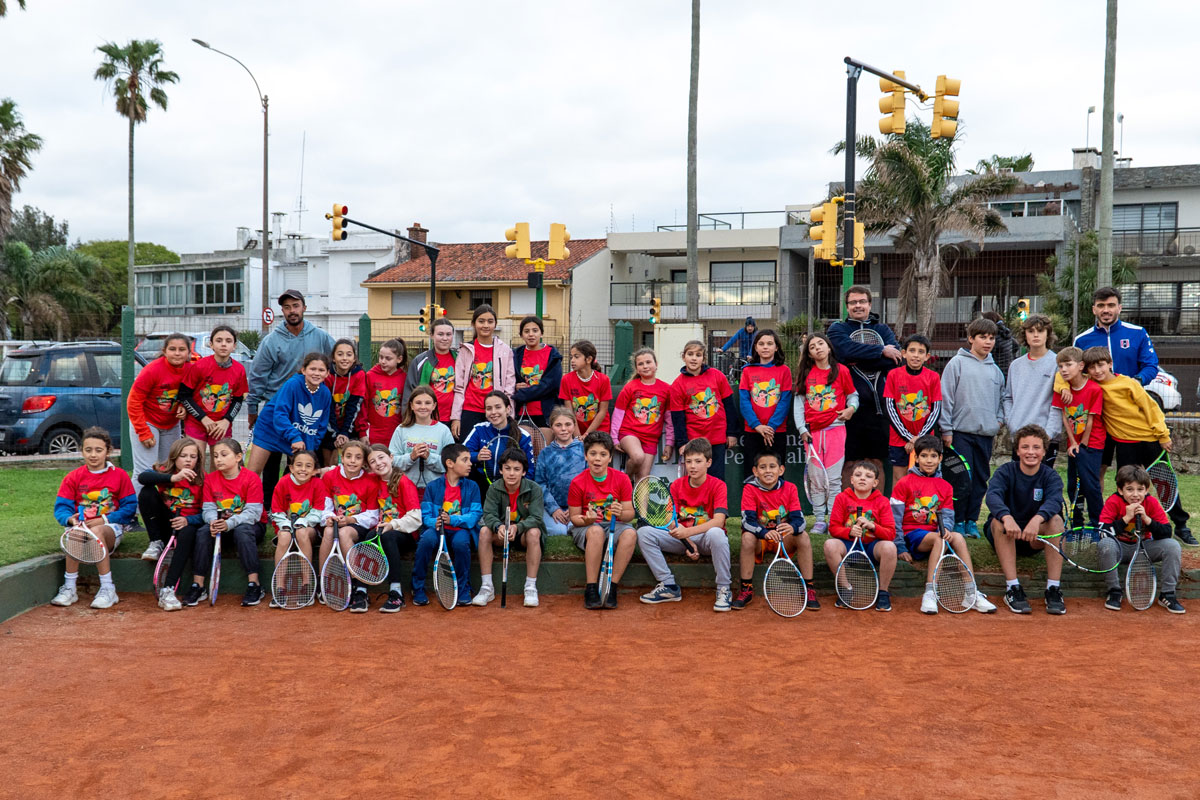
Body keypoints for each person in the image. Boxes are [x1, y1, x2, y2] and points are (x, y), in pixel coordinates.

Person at [1078, 345, 1192, 545]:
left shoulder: (1128, 384)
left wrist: (1163, 435)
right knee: (1126, 488)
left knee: (1164, 484)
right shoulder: (1091, 385)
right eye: (1091, 367)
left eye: (1100, 365)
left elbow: (1151, 408)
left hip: (1149, 440)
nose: (1097, 370)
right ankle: (1125, 529)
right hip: (1124, 445)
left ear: (1110, 364)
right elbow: (1065, 375)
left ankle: (1181, 526)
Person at [247, 289, 336, 509]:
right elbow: (258, 375)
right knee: (269, 468)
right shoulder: (271, 341)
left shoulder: (320, 336)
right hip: (277, 408)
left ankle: (292, 507)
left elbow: (339, 358)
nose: (292, 311)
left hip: (303, 412)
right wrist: (252, 408)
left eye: (295, 306)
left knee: (297, 466)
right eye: (287, 307)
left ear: (304, 308)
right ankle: (263, 509)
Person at [890, 435, 995, 615]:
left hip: (936, 535)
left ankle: (971, 592)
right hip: (912, 536)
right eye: (924, 456)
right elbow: (895, 518)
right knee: (940, 539)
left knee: (958, 537)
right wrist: (899, 546)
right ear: (916, 458)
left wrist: (945, 527)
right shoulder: (904, 483)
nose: (929, 460)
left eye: (933, 456)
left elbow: (947, 515)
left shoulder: (946, 486)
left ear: (940, 458)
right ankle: (930, 592)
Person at [636, 438, 733, 612]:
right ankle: (668, 586)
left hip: (706, 539)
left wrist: (688, 533)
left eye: (698, 461)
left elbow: (719, 521)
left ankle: (724, 588)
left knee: (717, 533)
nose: (692, 466)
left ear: (709, 462)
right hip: (681, 538)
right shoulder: (676, 485)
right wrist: (686, 539)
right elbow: (670, 519)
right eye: (688, 461)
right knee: (644, 533)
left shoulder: (719, 485)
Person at [50, 427, 137, 610]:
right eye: (88, 450)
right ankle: (69, 588)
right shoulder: (72, 477)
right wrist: (71, 520)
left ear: (108, 451)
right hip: (81, 530)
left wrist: (104, 519)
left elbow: (129, 508)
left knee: (96, 532)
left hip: (109, 529)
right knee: (76, 532)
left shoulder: (120, 475)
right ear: (82, 451)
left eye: (99, 450)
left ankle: (108, 588)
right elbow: (62, 508)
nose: (93, 455)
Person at [984, 425, 1066, 615]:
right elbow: (993, 496)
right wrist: (1007, 517)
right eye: (1025, 447)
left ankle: (1053, 589)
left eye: (1036, 447)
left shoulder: (1051, 476)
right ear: (1017, 450)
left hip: (1034, 538)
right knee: (998, 522)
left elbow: (1055, 501)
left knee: (1056, 521)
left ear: (1044, 451)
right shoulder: (1005, 471)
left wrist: (1037, 519)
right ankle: (1013, 588)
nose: (1031, 452)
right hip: (1007, 533)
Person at [826, 285, 902, 487]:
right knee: (849, 463)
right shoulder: (838, 329)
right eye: (853, 302)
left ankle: (876, 506)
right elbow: (843, 351)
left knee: (875, 463)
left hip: (879, 410)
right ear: (847, 306)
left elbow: (893, 360)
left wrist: (856, 359)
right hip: (848, 409)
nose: (857, 306)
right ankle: (848, 506)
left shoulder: (883, 330)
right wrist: (880, 351)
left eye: (862, 302)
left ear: (869, 304)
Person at [940, 317, 1006, 538]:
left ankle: (971, 521)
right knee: (960, 479)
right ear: (970, 338)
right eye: (982, 337)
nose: (987, 342)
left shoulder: (995, 370)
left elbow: (1002, 400)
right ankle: (957, 520)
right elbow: (946, 398)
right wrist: (946, 429)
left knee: (979, 479)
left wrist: (998, 421)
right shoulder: (956, 364)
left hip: (985, 435)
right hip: (960, 433)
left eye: (991, 338)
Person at [188, 439, 267, 608]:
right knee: (203, 532)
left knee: (242, 531)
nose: (218, 459)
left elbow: (253, 513)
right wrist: (213, 521)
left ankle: (254, 584)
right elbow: (208, 508)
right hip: (221, 526)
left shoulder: (251, 478)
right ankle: (198, 585)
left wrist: (229, 523)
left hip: (250, 525)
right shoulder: (210, 479)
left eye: (224, 455)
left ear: (238, 457)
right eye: (216, 456)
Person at [1097, 465, 1185, 613]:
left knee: (1173, 546)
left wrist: (1147, 519)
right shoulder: (1113, 501)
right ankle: (1114, 591)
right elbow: (1102, 533)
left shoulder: (1151, 502)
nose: (1135, 494)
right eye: (1129, 489)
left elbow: (1166, 532)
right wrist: (1126, 519)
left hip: (1144, 547)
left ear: (1146, 490)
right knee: (1106, 544)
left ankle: (1168, 594)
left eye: (1140, 489)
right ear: (1120, 490)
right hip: (1120, 548)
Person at [794, 331, 857, 534]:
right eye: (812, 347)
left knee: (834, 479)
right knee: (816, 479)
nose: (817, 348)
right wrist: (802, 429)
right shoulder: (805, 374)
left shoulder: (842, 371)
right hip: (812, 434)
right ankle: (820, 520)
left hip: (836, 430)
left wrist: (851, 409)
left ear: (829, 347)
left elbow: (853, 395)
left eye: (820, 344)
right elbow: (799, 404)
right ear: (809, 354)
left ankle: (834, 520)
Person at [735, 449, 815, 610]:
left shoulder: (790, 488)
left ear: (781, 470)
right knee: (747, 538)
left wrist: (792, 527)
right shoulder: (749, 489)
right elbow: (747, 522)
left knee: (804, 536)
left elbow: (800, 521)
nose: (768, 471)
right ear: (755, 471)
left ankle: (809, 588)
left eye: (772, 466)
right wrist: (764, 533)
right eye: (762, 467)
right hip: (761, 540)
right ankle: (746, 589)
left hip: (783, 540)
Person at [567, 431, 636, 610]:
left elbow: (630, 514)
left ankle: (611, 587)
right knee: (596, 532)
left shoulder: (622, 479)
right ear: (585, 455)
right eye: (593, 453)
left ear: (610, 457)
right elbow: (574, 518)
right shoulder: (577, 482)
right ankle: (591, 588)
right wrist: (586, 520)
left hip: (614, 524)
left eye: (603, 454)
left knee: (630, 534)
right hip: (587, 527)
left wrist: (621, 513)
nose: (597, 459)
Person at [247, 353, 333, 492]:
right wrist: (294, 437)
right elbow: (280, 414)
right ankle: (246, 504)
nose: (316, 373)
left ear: (327, 373)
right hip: (270, 429)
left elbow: (321, 426)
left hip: (297, 434)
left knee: (302, 474)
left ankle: (287, 504)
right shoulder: (293, 384)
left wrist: (310, 448)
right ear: (304, 370)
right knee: (253, 474)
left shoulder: (325, 393)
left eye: (321, 370)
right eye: (312, 369)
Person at [137, 436, 205, 611]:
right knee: (146, 492)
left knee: (189, 531)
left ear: (198, 459)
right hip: (165, 523)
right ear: (174, 457)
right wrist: (174, 478)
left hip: (186, 526)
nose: (188, 460)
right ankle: (156, 542)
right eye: (183, 456)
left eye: (193, 456)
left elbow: (207, 514)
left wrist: (188, 520)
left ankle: (168, 589)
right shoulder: (164, 472)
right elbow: (142, 477)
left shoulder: (203, 480)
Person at [472, 448, 545, 608]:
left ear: (524, 472)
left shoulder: (534, 489)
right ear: (501, 470)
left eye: (517, 469)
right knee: (484, 531)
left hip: (523, 534)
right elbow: (488, 514)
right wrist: (498, 526)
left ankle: (530, 587)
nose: (511, 473)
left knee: (534, 533)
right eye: (507, 468)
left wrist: (518, 527)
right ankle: (487, 587)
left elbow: (536, 517)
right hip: (501, 534)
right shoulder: (494, 488)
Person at [825, 460, 898, 612]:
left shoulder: (883, 501)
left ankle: (883, 593)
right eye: (858, 475)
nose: (862, 478)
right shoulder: (841, 498)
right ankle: (846, 589)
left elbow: (891, 533)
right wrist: (849, 532)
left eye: (868, 476)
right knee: (830, 545)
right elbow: (833, 528)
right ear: (851, 480)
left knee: (890, 547)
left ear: (875, 482)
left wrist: (873, 526)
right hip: (848, 546)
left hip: (872, 548)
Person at [414, 444, 482, 607]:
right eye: (465, 460)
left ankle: (463, 589)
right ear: (450, 463)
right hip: (437, 530)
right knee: (426, 541)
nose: (470, 463)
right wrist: (434, 522)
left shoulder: (472, 487)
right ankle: (417, 588)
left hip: (461, 530)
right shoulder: (433, 487)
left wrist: (452, 520)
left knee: (460, 543)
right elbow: (425, 516)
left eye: (469, 460)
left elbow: (475, 515)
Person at [320, 439, 382, 613]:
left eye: (358, 457)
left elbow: (373, 516)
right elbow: (324, 507)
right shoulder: (330, 477)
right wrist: (329, 518)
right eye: (348, 456)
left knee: (344, 533)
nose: (352, 461)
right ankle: (324, 582)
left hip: (358, 525)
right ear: (342, 457)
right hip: (335, 522)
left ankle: (358, 584)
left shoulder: (370, 481)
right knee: (328, 532)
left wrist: (350, 520)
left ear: (364, 462)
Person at [127, 332, 190, 497]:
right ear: (164, 351)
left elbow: (193, 393)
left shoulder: (190, 370)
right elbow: (133, 402)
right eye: (172, 349)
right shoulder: (152, 370)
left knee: (168, 469)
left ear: (189, 352)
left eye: (182, 349)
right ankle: (134, 511)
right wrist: (143, 431)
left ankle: (165, 507)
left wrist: (184, 405)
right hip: (147, 422)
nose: (177, 353)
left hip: (171, 424)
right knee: (145, 471)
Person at [178, 325, 247, 469]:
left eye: (228, 341)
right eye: (219, 340)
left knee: (220, 467)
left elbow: (238, 399)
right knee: (196, 465)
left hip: (221, 426)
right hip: (197, 423)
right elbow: (184, 396)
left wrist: (227, 420)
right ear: (211, 344)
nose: (223, 344)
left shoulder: (239, 369)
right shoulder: (199, 366)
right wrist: (203, 418)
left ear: (234, 346)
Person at [668, 339, 739, 482]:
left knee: (717, 480)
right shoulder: (678, 385)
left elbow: (729, 406)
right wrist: (682, 443)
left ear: (704, 358)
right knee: (697, 481)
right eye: (690, 354)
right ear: (683, 357)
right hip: (694, 441)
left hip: (717, 438)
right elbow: (678, 417)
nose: (694, 358)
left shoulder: (717, 376)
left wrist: (732, 433)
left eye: (698, 355)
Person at [267, 449, 330, 609]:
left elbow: (318, 512)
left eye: (308, 466)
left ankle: (306, 585)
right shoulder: (283, 483)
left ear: (315, 470)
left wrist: (302, 522)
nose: (303, 469)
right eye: (299, 465)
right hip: (286, 527)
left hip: (308, 529)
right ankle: (280, 588)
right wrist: (287, 525)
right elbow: (276, 511)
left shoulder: (317, 484)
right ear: (291, 468)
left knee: (301, 532)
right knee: (284, 536)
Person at [1052, 347, 1104, 527]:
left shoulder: (1094, 389)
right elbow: (1065, 417)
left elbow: (1091, 419)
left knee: (1090, 484)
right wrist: (1073, 442)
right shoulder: (1062, 390)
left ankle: (1098, 523)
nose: (1064, 369)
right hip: (1073, 445)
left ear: (1081, 365)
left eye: (1068, 365)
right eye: (1060, 366)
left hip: (1092, 444)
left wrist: (1082, 444)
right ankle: (1077, 523)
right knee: (1073, 485)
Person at [367, 444, 423, 613]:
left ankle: (396, 592)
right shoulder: (373, 480)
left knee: (388, 536)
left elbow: (416, 518)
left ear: (391, 457)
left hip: (405, 534)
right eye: (372, 461)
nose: (378, 463)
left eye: (381, 457)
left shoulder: (404, 482)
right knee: (368, 536)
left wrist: (393, 525)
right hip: (382, 530)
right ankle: (361, 591)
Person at [882, 334, 941, 487]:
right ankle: (898, 504)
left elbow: (936, 410)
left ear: (927, 356)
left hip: (925, 439)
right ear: (904, 353)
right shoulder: (894, 375)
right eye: (912, 350)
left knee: (925, 479)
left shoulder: (933, 377)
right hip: (899, 439)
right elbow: (890, 408)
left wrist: (918, 439)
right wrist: (908, 437)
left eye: (921, 352)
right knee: (899, 480)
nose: (916, 355)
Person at [1002, 314, 1061, 464]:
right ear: (1025, 335)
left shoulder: (1057, 364)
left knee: (1043, 478)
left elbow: (1058, 403)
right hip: (1019, 435)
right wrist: (1011, 422)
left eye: (1040, 331)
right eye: (1031, 331)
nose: (1036, 335)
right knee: (1018, 478)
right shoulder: (1016, 365)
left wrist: (1048, 433)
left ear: (1048, 334)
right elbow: (1008, 397)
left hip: (1045, 438)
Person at [451, 304, 515, 439]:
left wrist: (510, 415)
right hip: (470, 409)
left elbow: (509, 386)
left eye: (490, 321)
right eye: (481, 321)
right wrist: (456, 417)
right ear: (474, 324)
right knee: (468, 449)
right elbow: (459, 386)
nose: (486, 325)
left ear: (495, 324)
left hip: (495, 411)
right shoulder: (465, 350)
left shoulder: (505, 350)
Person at [611, 347, 672, 484]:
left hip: (650, 439)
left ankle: (638, 499)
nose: (645, 366)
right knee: (638, 457)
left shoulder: (666, 389)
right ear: (637, 369)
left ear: (656, 364)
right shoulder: (630, 387)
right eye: (641, 364)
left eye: (648, 362)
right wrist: (614, 437)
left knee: (643, 478)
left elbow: (669, 419)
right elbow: (618, 413)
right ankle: (624, 481)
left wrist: (669, 443)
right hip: (629, 433)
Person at [738, 329, 794, 468]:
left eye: (769, 343)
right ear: (755, 347)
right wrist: (757, 425)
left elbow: (784, 401)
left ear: (776, 347)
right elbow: (744, 401)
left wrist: (771, 427)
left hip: (776, 431)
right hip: (753, 430)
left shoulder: (784, 370)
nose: (765, 347)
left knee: (775, 472)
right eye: (761, 344)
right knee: (752, 472)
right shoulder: (747, 371)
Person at [388, 386, 455, 494]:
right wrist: (411, 457)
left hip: (436, 491)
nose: (423, 407)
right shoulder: (401, 429)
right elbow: (391, 461)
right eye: (418, 403)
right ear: (411, 405)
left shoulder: (443, 431)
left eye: (427, 403)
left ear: (434, 406)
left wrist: (429, 457)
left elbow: (452, 464)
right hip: (406, 489)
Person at [534, 405, 586, 537]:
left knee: (575, 525)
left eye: (568, 424)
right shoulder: (545, 453)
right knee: (559, 531)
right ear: (552, 428)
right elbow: (540, 483)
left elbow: (589, 481)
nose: (563, 429)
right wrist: (554, 509)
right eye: (558, 425)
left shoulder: (584, 450)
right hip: (552, 506)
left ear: (574, 426)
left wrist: (575, 507)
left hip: (579, 506)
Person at [463, 390, 535, 485]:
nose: (493, 412)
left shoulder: (523, 436)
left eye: (498, 407)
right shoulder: (479, 429)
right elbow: (461, 455)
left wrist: (519, 489)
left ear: (508, 409)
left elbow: (529, 470)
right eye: (489, 408)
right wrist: (477, 456)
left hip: (511, 486)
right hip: (481, 484)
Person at [321, 339, 368, 467]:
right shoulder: (327, 375)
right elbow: (327, 407)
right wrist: (336, 434)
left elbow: (354, 406)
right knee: (328, 463)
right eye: (340, 354)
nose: (344, 358)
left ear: (354, 358)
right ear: (333, 358)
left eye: (349, 354)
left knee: (345, 461)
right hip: (329, 425)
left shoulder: (359, 375)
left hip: (348, 425)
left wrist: (345, 432)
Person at [403, 316, 458, 423]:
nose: (445, 338)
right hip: (426, 420)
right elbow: (409, 393)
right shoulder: (420, 361)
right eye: (440, 334)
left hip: (453, 420)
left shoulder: (459, 359)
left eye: (448, 334)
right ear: (432, 335)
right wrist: (408, 420)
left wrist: (458, 418)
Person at [512, 315, 563, 431]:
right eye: (526, 331)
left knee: (545, 442)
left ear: (541, 333)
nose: (531, 334)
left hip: (546, 413)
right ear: (521, 335)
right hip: (522, 413)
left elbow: (551, 385)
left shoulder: (553, 355)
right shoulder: (515, 355)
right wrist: (515, 386)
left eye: (535, 330)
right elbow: (509, 380)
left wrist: (521, 394)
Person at [559, 339, 612, 437]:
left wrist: (587, 435)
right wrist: (578, 436)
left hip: (599, 431)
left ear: (588, 359)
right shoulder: (566, 379)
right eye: (571, 357)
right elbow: (569, 412)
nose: (572, 360)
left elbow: (602, 411)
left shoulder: (603, 380)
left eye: (576, 357)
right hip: (575, 431)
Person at [364, 338, 408, 446]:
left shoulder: (404, 378)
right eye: (381, 357)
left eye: (388, 358)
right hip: (373, 434)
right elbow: (363, 405)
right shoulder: (370, 376)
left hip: (396, 434)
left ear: (399, 359)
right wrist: (363, 432)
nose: (383, 361)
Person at [981, 311, 1016, 377]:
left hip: (998, 368)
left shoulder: (995, 334)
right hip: (1008, 367)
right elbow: (1015, 344)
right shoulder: (1005, 331)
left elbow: (988, 353)